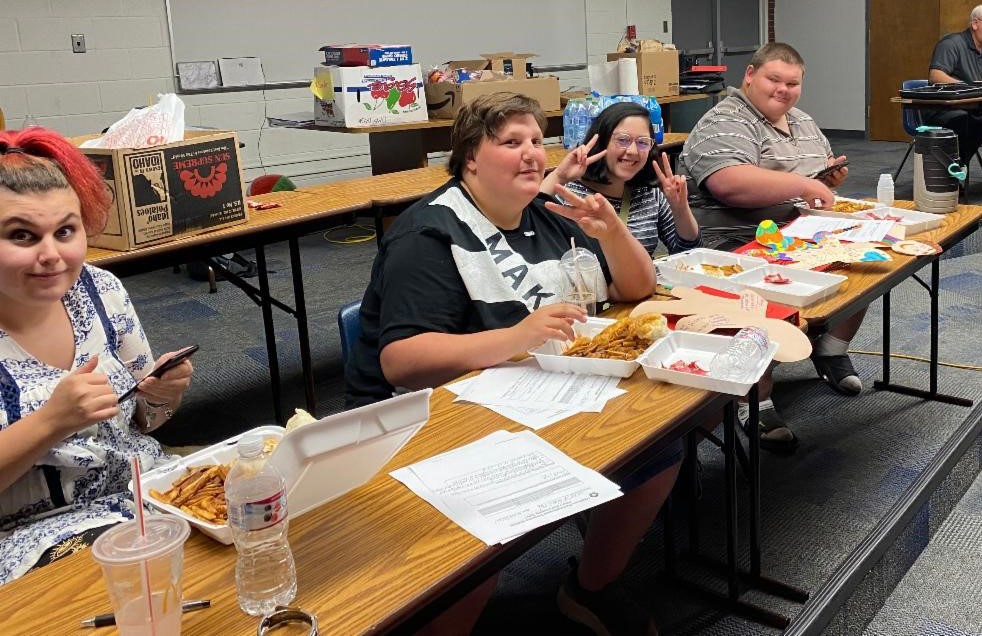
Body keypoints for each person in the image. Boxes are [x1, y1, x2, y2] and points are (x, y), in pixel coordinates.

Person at [345, 92, 669, 635]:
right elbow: (401, 361)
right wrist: (516, 337)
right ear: (470, 157)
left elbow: (636, 288)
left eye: (537, 141)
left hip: (529, 395)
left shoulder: (549, 213)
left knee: (658, 445)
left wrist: (612, 231)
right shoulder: (430, 233)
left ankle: (589, 588)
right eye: (511, 142)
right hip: (420, 417)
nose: (532, 154)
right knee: (491, 517)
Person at [0, 127, 194, 585]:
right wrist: (51, 421)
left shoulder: (100, 290)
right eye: (22, 236)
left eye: (65, 231)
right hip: (34, 534)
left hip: (145, 489)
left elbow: (144, 423)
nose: (52, 254)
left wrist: (162, 396)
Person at [677, 42, 865, 451]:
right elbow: (729, 183)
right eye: (774, 79)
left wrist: (826, 178)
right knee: (759, 300)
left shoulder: (802, 121)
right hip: (733, 241)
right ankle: (754, 399)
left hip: (795, 233)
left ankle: (830, 350)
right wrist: (804, 185)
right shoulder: (726, 120)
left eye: (792, 83)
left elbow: (814, 174)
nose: (783, 90)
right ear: (750, 75)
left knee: (863, 262)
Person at [541, 101, 702, 256]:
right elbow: (531, 229)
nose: (632, 151)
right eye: (623, 140)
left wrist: (681, 209)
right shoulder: (568, 194)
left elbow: (688, 253)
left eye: (642, 142)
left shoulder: (650, 195)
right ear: (602, 141)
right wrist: (559, 175)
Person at [926, 5, 982, 164]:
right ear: (975, 24)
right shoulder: (951, 44)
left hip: (974, 109)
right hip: (944, 110)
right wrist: (967, 87)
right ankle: (956, 168)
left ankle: (958, 166)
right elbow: (936, 75)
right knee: (967, 121)